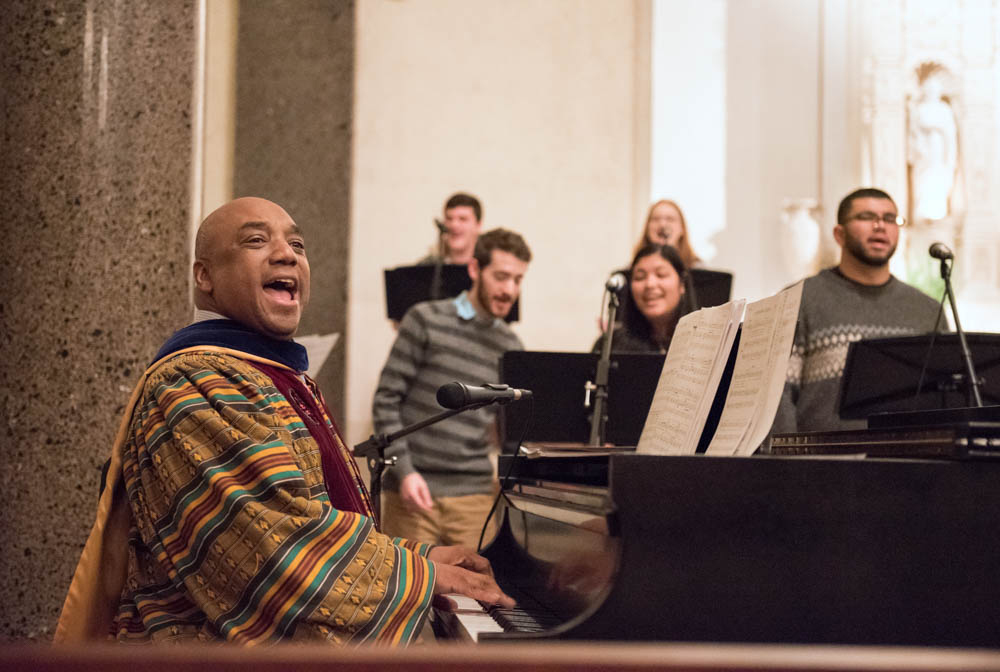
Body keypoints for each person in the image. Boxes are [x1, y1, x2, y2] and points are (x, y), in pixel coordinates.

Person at [55, 197, 512, 646]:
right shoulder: (193, 382)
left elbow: (319, 521)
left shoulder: (274, 376)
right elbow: (274, 548)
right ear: (205, 275)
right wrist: (421, 572)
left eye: (298, 244)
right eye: (256, 240)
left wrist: (417, 552)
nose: (286, 253)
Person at [374, 228, 531, 549]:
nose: (509, 289)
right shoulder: (425, 319)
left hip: (473, 494)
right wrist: (404, 471)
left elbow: (504, 430)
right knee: (410, 592)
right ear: (475, 269)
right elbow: (386, 401)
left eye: (518, 280)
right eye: (501, 277)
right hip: (413, 488)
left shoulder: (511, 345)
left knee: (481, 590)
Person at [770, 188, 943, 435]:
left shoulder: (927, 309)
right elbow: (779, 394)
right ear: (839, 234)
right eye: (866, 217)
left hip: (910, 464)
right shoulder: (799, 299)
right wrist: (787, 465)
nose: (880, 226)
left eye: (890, 219)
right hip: (824, 465)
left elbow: (942, 400)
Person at [594, 244, 688, 354]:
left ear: (682, 284)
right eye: (640, 277)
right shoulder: (611, 343)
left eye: (661, 275)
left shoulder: (702, 339)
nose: (649, 284)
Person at [418, 192, 483, 266]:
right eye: (449, 218)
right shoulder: (425, 267)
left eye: (463, 219)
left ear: (478, 225)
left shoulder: (487, 268)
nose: (454, 225)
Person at [633, 200, 701, 270]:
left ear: (682, 229)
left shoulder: (700, 270)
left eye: (670, 219)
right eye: (656, 219)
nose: (662, 224)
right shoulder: (631, 269)